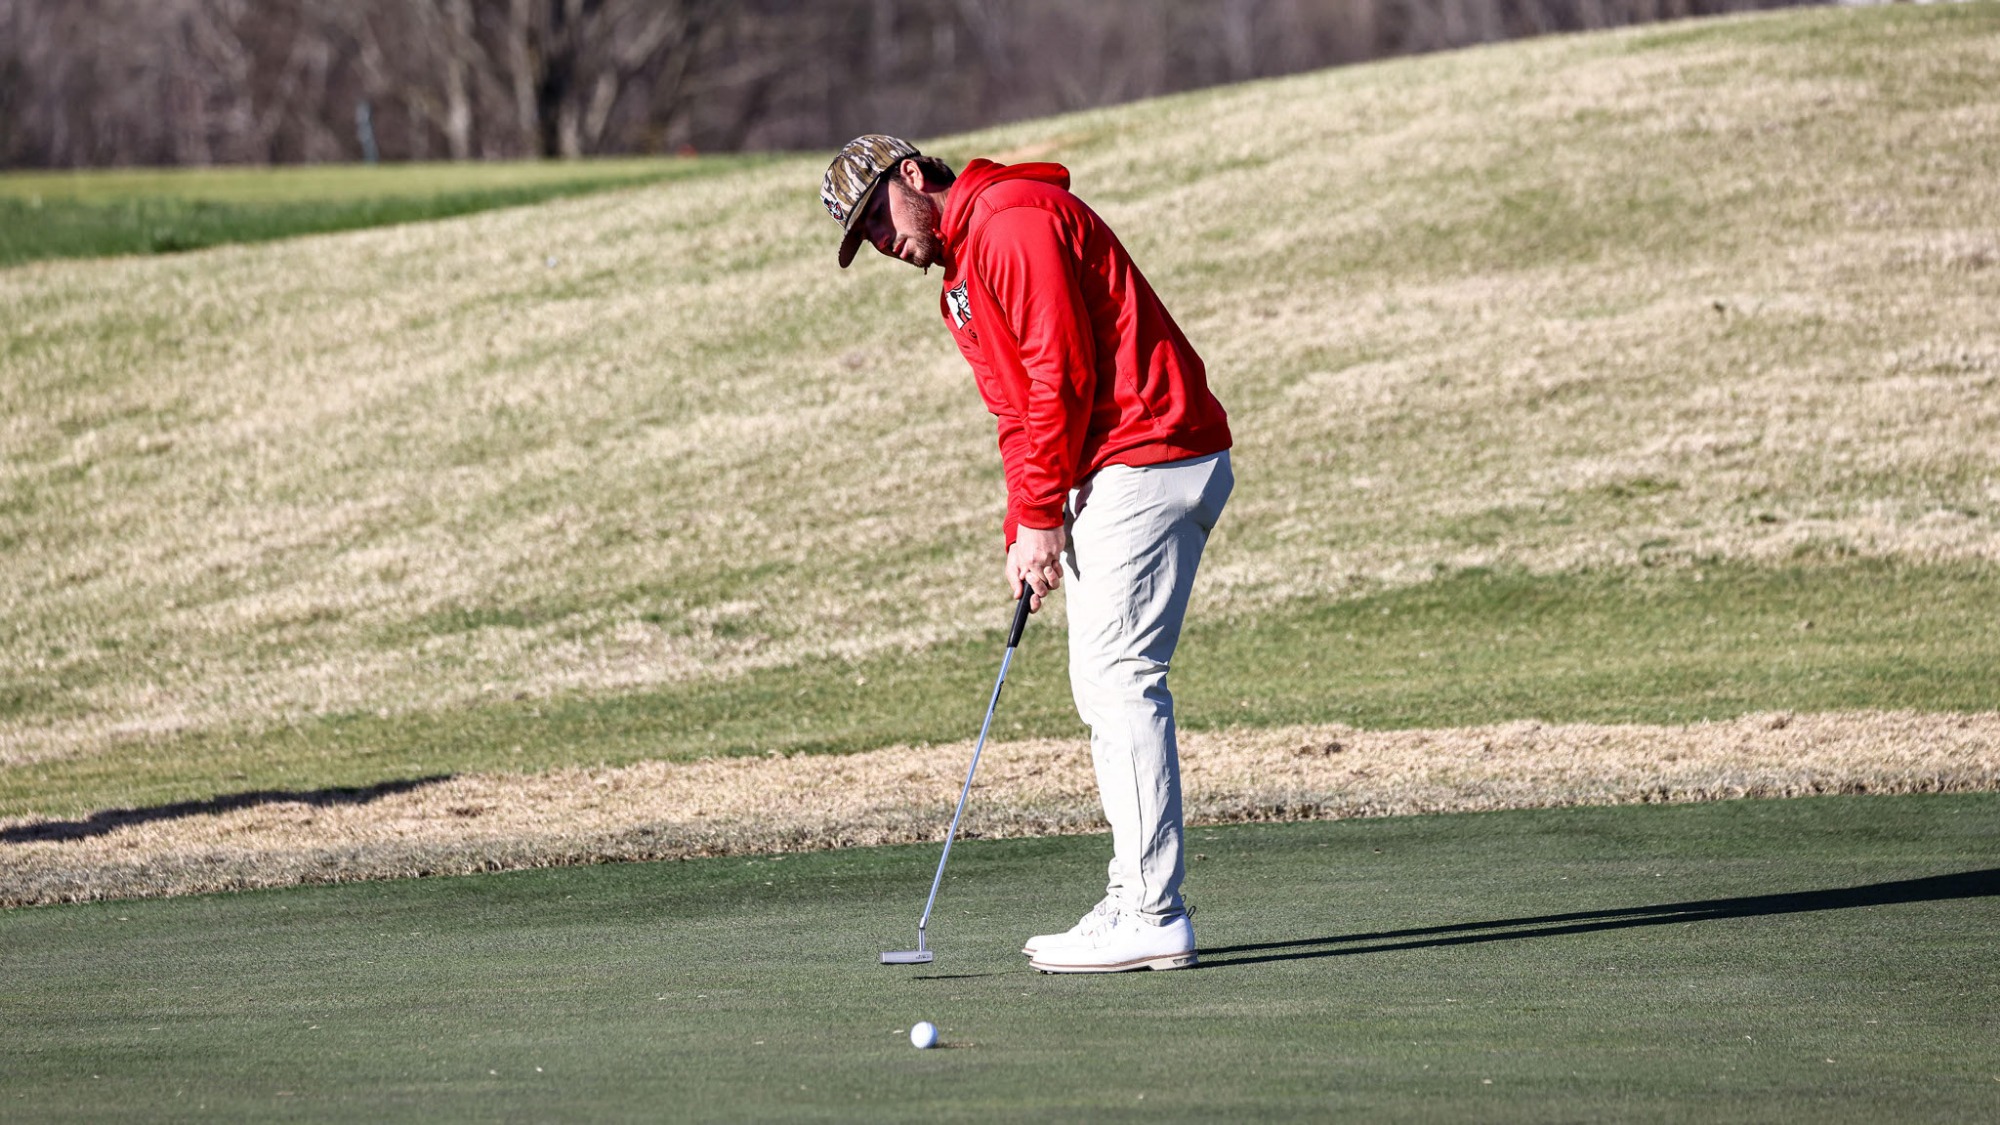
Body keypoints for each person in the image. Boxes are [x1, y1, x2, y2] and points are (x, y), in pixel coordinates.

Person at [821, 134, 1233, 973]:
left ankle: (1153, 909)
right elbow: (1016, 413)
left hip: (1148, 449)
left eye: (878, 217)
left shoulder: (1012, 223)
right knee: (1103, 680)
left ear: (912, 174)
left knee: (1119, 679)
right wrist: (1026, 525)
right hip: (1116, 464)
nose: (882, 242)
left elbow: (1064, 373)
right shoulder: (961, 284)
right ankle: (1136, 894)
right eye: (863, 237)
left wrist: (1047, 510)